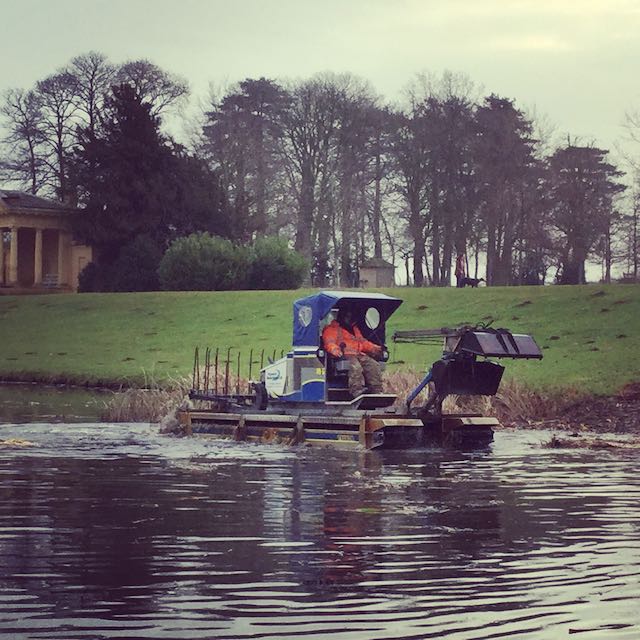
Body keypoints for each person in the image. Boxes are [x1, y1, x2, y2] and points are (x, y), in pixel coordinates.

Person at [322, 308, 383, 397]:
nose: (350, 319)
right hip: (344, 356)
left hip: (359, 354)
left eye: (351, 317)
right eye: (348, 317)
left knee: (373, 365)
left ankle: (376, 390)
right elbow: (329, 342)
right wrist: (335, 350)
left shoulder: (355, 329)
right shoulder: (332, 329)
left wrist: (375, 348)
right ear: (342, 317)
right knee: (356, 367)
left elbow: (362, 342)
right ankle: (357, 390)